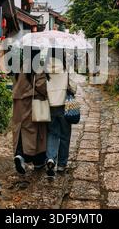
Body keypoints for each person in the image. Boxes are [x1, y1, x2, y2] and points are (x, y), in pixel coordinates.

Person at [12, 49, 49, 174]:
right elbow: (41, 86)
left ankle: (19, 155)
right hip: (31, 104)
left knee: (20, 131)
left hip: (18, 105)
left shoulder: (21, 67)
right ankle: (36, 161)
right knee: (35, 132)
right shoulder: (37, 67)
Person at [45, 48, 77, 178]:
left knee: (52, 133)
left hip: (50, 106)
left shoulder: (44, 69)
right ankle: (62, 164)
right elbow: (73, 88)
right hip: (64, 106)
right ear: (62, 55)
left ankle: (51, 158)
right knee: (65, 135)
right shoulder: (66, 69)